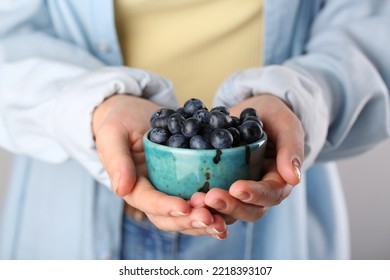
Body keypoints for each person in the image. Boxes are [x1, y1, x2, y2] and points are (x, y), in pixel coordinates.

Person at [0, 0, 389, 260]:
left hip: (267, 201)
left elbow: (372, 32)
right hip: (70, 216)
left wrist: (297, 100)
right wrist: (97, 108)